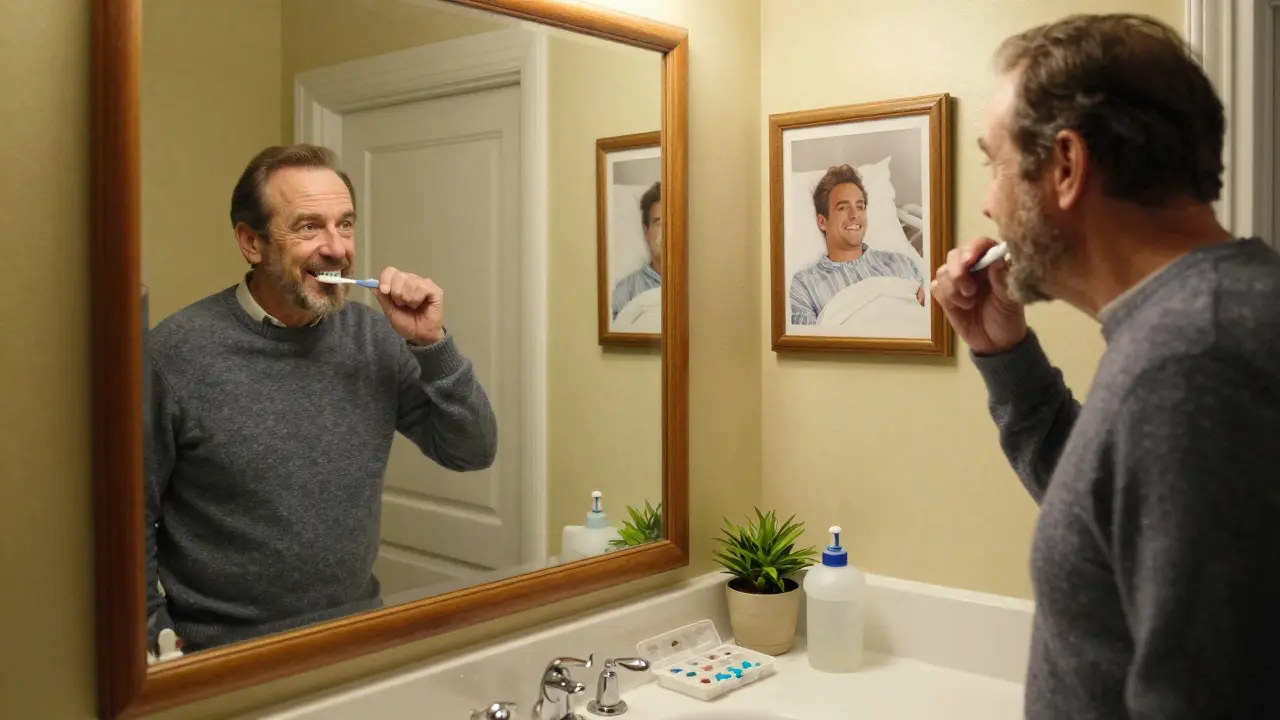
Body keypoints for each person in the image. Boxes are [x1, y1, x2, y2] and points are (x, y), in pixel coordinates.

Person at [930, 13, 1280, 719]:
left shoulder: (1195, 361)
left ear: (1065, 166)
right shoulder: (1191, 329)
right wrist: (1005, 355)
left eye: (994, 163)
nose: (990, 203)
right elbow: (1110, 522)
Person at [144, 144, 498, 652]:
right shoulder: (174, 353)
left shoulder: (374, 338)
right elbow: (129, 517)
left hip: (356, 639)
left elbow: (471, 450)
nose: (337, 248)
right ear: (251, 242)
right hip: (222, 655)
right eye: (309, 227)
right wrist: (153, 639)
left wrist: (430, 344)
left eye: (346, 225)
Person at [789, 164, 925, 325]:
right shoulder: (805, 286)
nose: (854, 215)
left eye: (860, 207)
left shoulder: (903, 264)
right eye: (843, 208)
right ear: (822, 222)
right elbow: (805, 347)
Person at [611, 180, 662, 320]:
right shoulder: (625, 293)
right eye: (660, 223)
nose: (668, 231)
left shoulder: (698, 286)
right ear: (646, 232)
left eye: (673, 222)